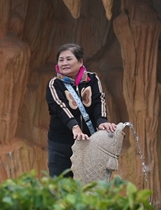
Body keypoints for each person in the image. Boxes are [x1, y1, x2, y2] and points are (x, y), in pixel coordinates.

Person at [46, 43, 118, 177]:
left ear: (80, 61)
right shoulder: (55, 83)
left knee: (89, 184)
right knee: (60, 186)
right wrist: (74, 127)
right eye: (61, 60)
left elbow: (99, 100)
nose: (64, 63)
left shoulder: (93, 79)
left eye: (69, 59)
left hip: (89, 143)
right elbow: (59, 106)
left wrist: (101, 121)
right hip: (61, 144)